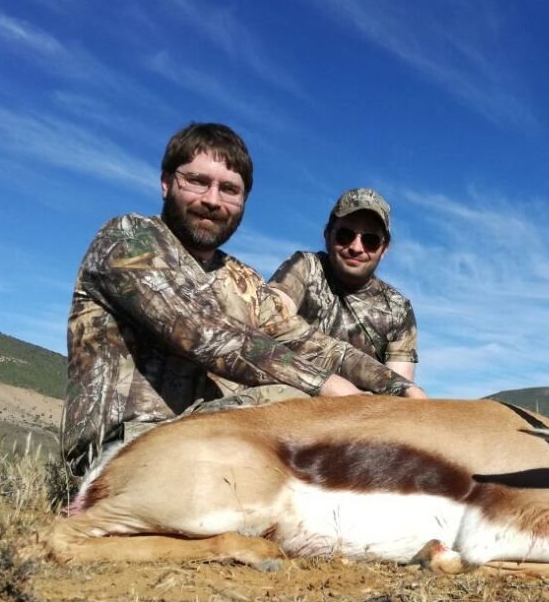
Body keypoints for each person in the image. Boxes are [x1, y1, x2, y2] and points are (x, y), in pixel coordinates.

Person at [63, 123, 425, 474]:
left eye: (229, 190)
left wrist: (402, 390)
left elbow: (312, 343)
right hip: (119, 453)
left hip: (203, 445)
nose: (212, 200)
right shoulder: (128, 239)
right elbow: (204, 333)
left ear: (243, 202)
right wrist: (330, 388)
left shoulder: (243, 279)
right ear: (166, 183)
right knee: (292, 403)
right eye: (197, 181)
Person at [268, 188, 418, 380]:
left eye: (370, 240)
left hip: (361, 408)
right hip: (292, 394)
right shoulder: (306, 267)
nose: (356, 247)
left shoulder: (398, 309)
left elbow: (399, 387)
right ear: (328, 235)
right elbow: (271, 323)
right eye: (345, 235)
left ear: (384, 249)